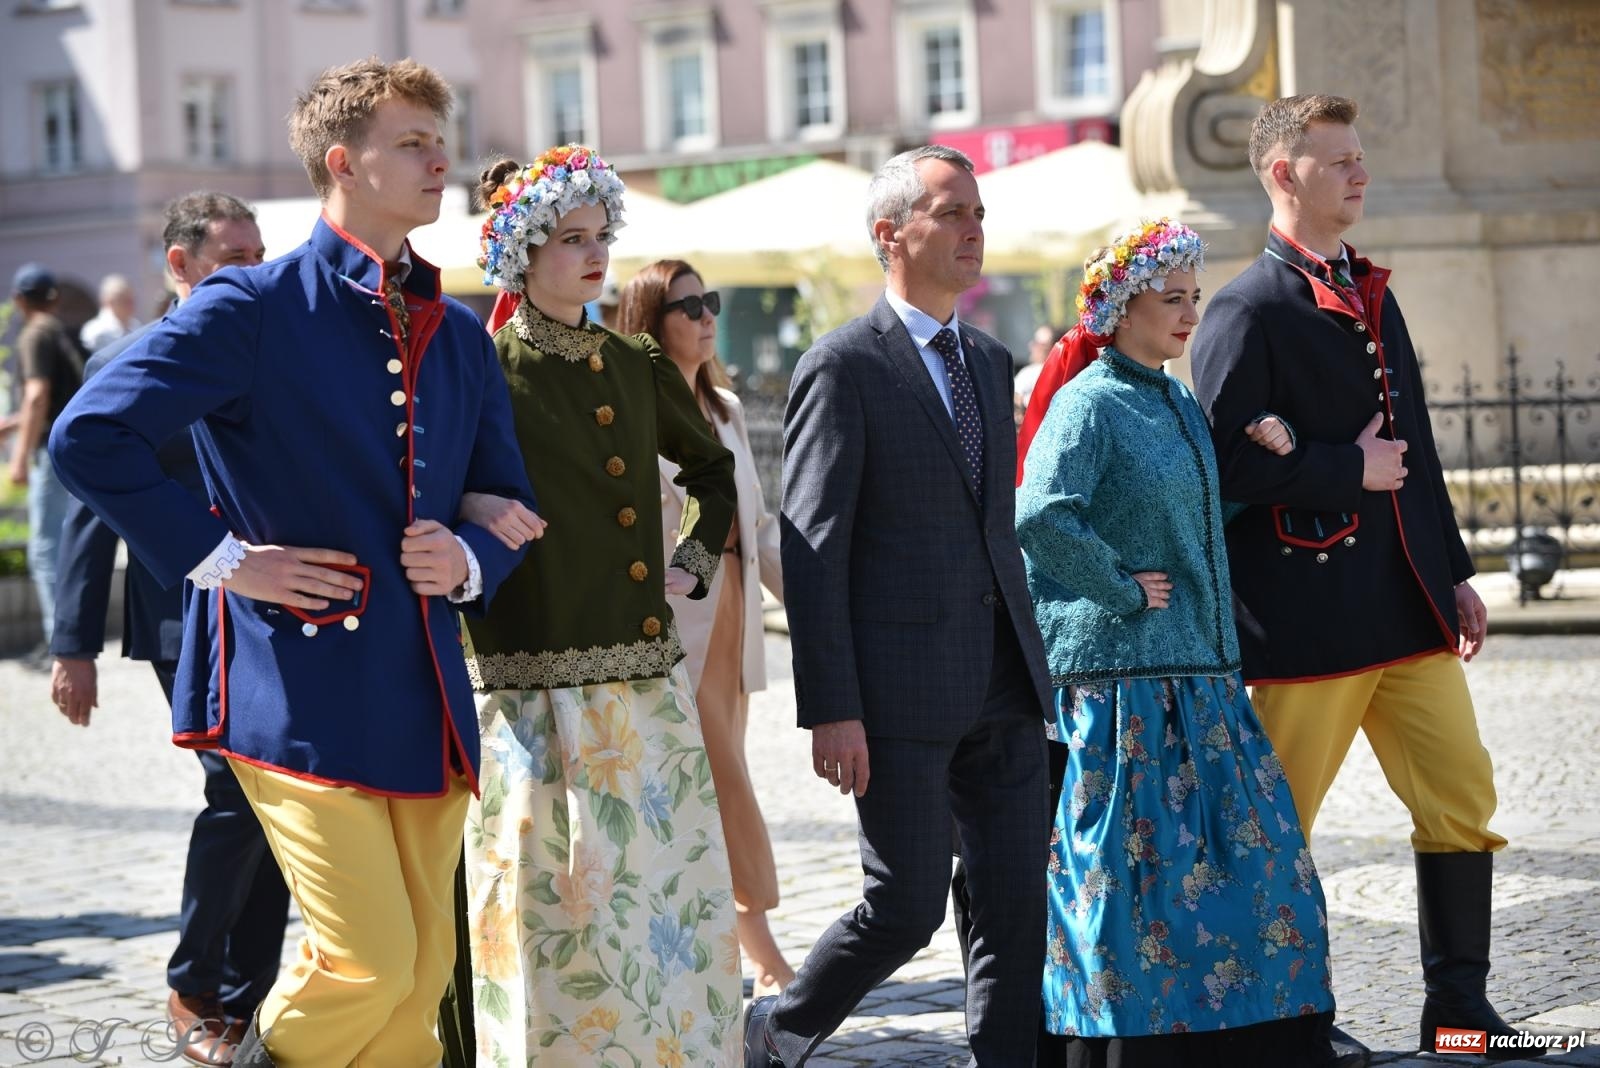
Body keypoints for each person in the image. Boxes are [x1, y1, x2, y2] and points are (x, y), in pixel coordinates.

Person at [48, 58, 535, 1068]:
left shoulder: (458, 336)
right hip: (292, 685)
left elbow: (510, 507)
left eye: (439, 140)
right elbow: (88, 436)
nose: (439, 160)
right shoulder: (250, 307)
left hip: (423, 691)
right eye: (412, 142)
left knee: (421, 978)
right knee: (367, 964)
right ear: (342, 163)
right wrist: (225, 559)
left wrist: (467, 556)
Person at [1189, 94, 1535, 1061]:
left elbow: (1414, 446)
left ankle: (1459, 1014)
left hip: (1407, 608)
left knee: (1461, 798)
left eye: (1359, 157)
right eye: (1337, 159)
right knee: (1277, 829)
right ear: (1282, 174)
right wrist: (1347, 468)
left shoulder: (1372, 291)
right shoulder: (1244, 308)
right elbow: (1217, 464)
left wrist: (1454, 572)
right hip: (1306, 620)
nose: (1359, 173)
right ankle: (1281, 1024)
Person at [747, 144, 1053, 1068]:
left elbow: (995, 527)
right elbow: (814, 551)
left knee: (1015, 905)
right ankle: (773, 1032)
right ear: (890, 234)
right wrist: (833, 707)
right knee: (907, 905)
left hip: (1004, 682)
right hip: (898, 699)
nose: (973, 229)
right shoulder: (843, 366)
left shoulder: (989, 358)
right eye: (952, 212)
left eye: (978, 214)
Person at [1017, 219, 1344, 1068]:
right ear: (1120, 308)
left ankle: (1249, 1039)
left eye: (1195, 297)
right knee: (1132, 885)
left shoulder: (1180, 402)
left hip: (1201, 674)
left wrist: (1263, 456)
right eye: (1173, 299)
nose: (1192, 314)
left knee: (1256, 867)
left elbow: (1193, 517)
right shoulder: (1087, 403)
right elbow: (1040, 516)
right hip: (1122, 686)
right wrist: (1120, 587)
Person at [459, 146, 743, 1067]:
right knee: (556, 906)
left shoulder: (633, 359)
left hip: (643, 688)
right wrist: (471, 513)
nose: (594, 255)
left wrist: (690, 562)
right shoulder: (484, 365)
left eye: (600, 236)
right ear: (521, 255)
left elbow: (711, 469)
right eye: (571, 240)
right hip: (534, 684)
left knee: (661, 897)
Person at [48, 191, 285, 1066]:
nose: (253, 273)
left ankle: (247, 997)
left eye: (259, 256)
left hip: (273, 608)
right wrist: (73, 645)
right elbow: (88, 511)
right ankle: (196, 984)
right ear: (180, 266)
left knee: (275, 797)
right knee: (237, 792)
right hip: (183, 617)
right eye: (233, 259)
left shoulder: (276, 347)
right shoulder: (130, 358)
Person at [618, 258, 795, 998]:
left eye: (709, 301)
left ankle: (710, 947)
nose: (706, 317)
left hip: (734, 609)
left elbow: (757, 525)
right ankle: (763, 951)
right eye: (688, 307)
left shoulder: (724, 407)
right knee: (713, 775)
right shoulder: (631, 406)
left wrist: (811, 611)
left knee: (719, 772)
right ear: (651, 321)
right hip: (668, 622)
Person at [9, 263, 84, 655]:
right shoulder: (61, 331)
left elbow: (38, 397)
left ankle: (59, 643)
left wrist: (19, 458)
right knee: (66, 544)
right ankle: (68, 636)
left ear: (19, 300)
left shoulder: (34, 333)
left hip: (50, 453)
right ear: (54, 298)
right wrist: (12, 425)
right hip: (73, 448)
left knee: (44, 548)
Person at [79, 274, 142, 353]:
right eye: (124, 299)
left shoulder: (136, 325)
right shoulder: (95, 331)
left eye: (131, 299)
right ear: (109, 301)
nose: (131, 304)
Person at [1013, 323, 1059, 425]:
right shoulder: (1066, 374)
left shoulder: (1030, 372)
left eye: (1038, 344)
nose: (1031, 346)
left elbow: (1014, 398)